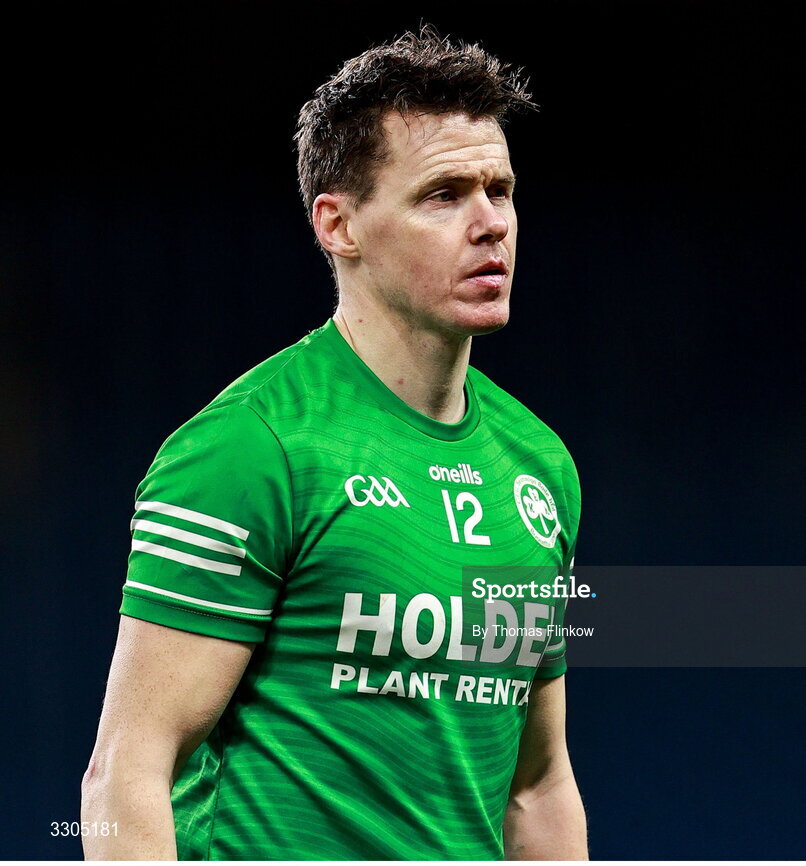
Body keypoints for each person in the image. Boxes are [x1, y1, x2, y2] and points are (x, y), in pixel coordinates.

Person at [80, 26, 587, 860]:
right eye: (444, 194)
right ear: (338, 225)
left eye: (501, 189)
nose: (491, 223)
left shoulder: (541, 466)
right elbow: (123, 773)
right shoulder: (252, 447)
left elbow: (537, 785)